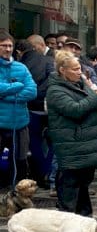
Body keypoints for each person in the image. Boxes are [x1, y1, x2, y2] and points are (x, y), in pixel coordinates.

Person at [45, 50, 97, 216]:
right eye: (75, 69)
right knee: (70, 185)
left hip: (86, 146)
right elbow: (75, 110)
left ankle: (85, 218)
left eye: (79, 68)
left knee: (83, 185)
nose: (79, 72)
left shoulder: (81, 84)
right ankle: (67, 220)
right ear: (63, 70)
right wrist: (96, 96)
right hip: (71, 146)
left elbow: (94, 105)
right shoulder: (55, 90)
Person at [0, 31, 37, 188]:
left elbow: (32, 91)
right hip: (1, 125)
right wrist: (16, 86)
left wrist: (5, 95)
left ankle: (18, 192)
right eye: (4, 46)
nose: (8, 49)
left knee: (20, 159)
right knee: (2, 159)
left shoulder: (21, 67)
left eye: (10, 46)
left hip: (20, 124)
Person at [20, 35, 54, 189]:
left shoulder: (22, 64)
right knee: (53, 142)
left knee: (34, 142)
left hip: (31, 108)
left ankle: (40, 174)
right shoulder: (50, 61)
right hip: (50, 108)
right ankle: (48, 172)